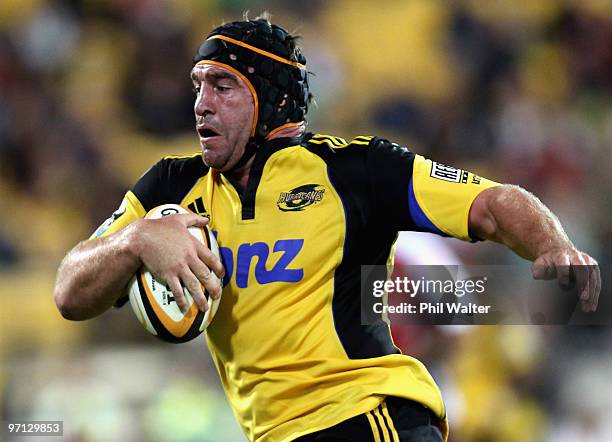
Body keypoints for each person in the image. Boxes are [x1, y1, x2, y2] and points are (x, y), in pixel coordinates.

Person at [54, 15, 601, 442]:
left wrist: (554, 246)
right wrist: (136, 239)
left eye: (223, 85)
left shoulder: (356, 170)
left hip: (369, 414)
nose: (201, 103)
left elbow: (491, 203)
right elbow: (69, 292)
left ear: (269, 96)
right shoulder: (169, 189)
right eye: (198, 85)